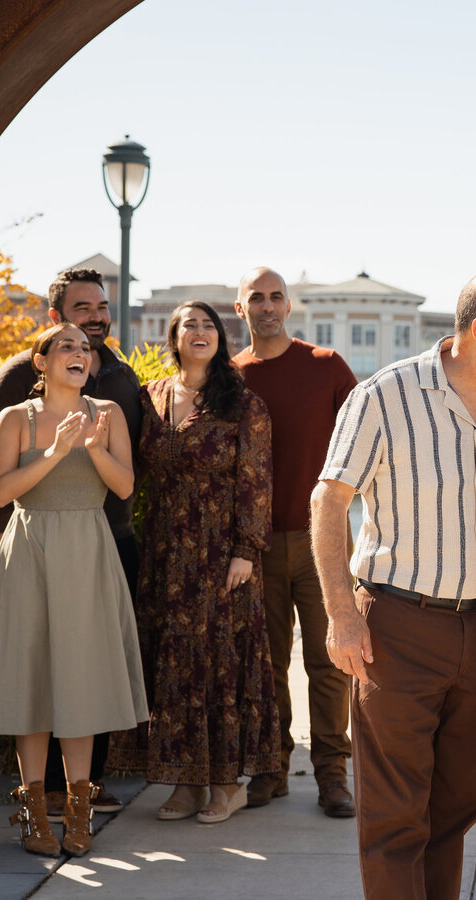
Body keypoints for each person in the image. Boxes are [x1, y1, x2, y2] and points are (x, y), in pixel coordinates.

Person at [312, 268, 476, 900]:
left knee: (459, 808)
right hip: (396, 628)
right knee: (394, 817)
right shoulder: (384, 396)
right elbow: (329, 501)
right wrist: (341, 613)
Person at [0, 267, 142, 821]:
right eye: (67, 338)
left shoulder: (114, 398)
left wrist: (90, 449)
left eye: (83, 347)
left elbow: (127, 482)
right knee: (33, 671)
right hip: (32, 546)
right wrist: (49, 458)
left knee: (85, 671)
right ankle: (35, 806)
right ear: (42, 357)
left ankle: (82, 801)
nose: (81, 345)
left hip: (95, 546)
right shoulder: (16, 402)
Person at [121, 301, 280, 825]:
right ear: (173, 336)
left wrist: (245, 551)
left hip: (221, 556)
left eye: (209, 325)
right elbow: (133, 473)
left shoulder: (243, 403)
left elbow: (257, 483)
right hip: (166, 554)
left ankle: (225, 784)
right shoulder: (150, 397)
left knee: (221, 666)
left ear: (221, 337)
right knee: (176, 667)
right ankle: (184, 784)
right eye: (189, 324)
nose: (200, 331)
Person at [232, 266, 359, 816]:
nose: (266, 305)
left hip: (322, 543)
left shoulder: (325, 367)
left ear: (289, 307)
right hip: (255, 547)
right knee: (267, 663)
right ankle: (273, 767)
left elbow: (364, 442)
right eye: (255, 297)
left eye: (275, 296)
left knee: (330, 663)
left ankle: (333, 776)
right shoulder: (228, 376)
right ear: (240, 309)